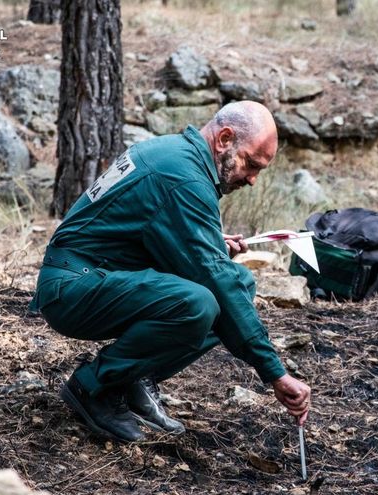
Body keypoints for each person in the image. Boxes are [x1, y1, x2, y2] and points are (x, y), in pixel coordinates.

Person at [30, 101, 312, 442]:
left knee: (240, 282)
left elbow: (137, 227)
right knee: (200, 302)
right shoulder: (183, 177)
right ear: (224, 139)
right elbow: (216, 281)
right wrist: (275, 373)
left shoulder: (174, 154)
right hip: (72, 287)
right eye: (251, 164)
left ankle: (134, 378)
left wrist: (204, 242)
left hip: (94, 275)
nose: (252, 179)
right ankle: (95, 387)